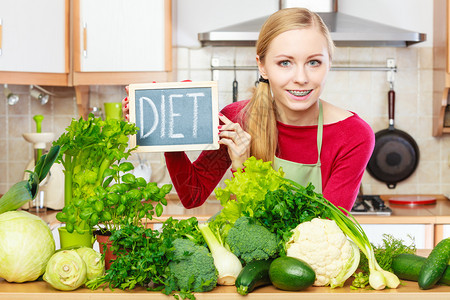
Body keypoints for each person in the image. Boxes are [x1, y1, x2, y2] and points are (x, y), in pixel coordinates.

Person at [122, 7, 375, 212]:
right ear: (262, 67)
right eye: (285, 62)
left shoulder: (353, 135)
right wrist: (167, 128)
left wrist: (242, 168)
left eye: (314, 62)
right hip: (245, 272)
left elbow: (328, 228)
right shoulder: (236, 119)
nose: (301, 77)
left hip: (309, 271)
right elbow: (193, 196)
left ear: (329, 63)